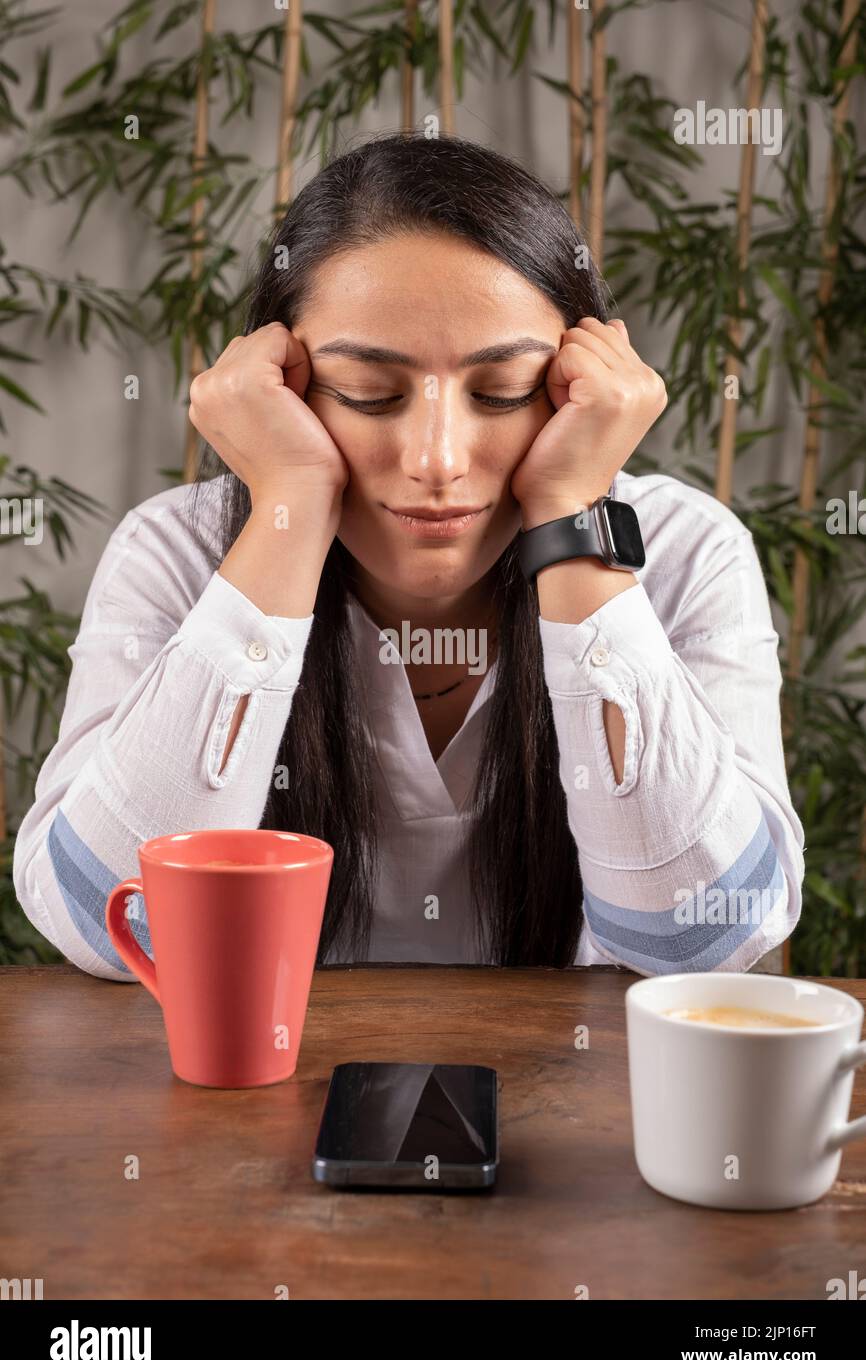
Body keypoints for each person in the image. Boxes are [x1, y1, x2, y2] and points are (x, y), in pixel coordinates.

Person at [13, 132, 804, 977]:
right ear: (279, 385)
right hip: (267, 1100)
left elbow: (702, 942)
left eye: (502, 393)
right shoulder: (177, 551)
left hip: (577, 1102)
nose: (437, 458)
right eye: (370, 394)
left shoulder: (686, 553)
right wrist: (287, 508)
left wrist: (573, 519)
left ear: (580, 387)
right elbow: (108, 929)